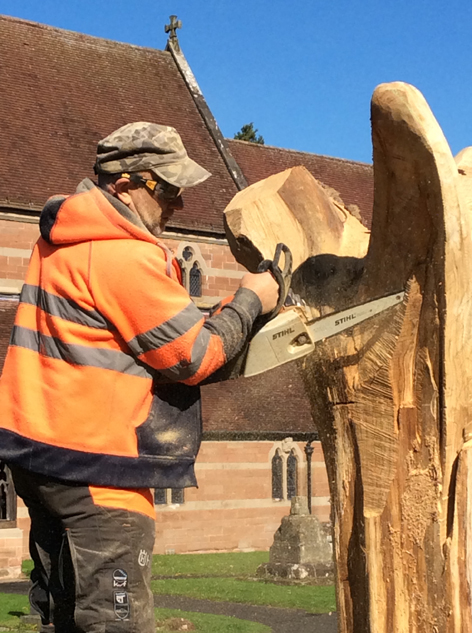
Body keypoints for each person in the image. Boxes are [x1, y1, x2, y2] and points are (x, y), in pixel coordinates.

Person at [0, 122, 279, 632]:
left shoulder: (59, 241)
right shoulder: (122, 253)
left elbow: (124, 332)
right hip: (98, 469)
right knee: (117, 620)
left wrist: (209, 313)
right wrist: (250, 300)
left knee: (65, 616)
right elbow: (194, 357)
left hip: (38, 456)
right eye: (168, 188)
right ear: (126, 182)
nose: (178, 204)